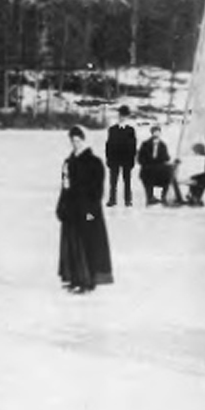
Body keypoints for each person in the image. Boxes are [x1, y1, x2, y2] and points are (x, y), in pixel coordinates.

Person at [56, 126, 113, 294]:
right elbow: (65, 186)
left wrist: (89, 210)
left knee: (88, 243)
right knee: (73, 244)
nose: (75, 143)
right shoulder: (68, 162)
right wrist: (62, 205)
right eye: (72, 141)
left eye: (78, 140)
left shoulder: (94, 162)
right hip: (72, 210)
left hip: (89, 211)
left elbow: (97, 190)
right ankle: (75, 278)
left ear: (83, 140)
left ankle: (88, 281)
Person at [104, 106, 137, 208]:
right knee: (113, 181)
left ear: (127, 117)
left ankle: (128, 200)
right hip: (115, 159)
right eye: (121, 115)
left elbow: (133, 146)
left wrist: (132, 159)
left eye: (124, 116)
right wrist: (108, 158)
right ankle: (112, 199)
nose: (122, 117)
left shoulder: (130, 130)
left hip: (126, 159)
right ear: (118, 116)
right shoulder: (112, 129)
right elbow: (108, 145)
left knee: (127, 180)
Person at [137, 125, 174, 206]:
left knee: (168, 174)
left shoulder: (163, 145)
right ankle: (150, 197)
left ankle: (163, 197)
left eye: (158, 132)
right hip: (148, 169)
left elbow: (166, 157)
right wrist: (147, 163)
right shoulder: (145, 144)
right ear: (152, 133)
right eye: (155, 132)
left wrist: (163, 159)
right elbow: (140, 158)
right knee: (147, 177)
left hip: (159, 170)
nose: (156, 134)